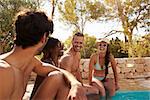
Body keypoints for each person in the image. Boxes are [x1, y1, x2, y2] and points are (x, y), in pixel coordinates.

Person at [0, 11, 87, 100]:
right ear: (44, 38)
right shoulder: (3, 71)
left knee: (58, 77)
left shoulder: (31, 62)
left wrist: (75, 84)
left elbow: (61, 71)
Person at [59, 32, 105, 99]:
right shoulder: (67, 58)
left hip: (75, 85)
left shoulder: (78, 54)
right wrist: (79, 90)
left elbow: (77, 70)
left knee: (96, 90)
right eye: (76, 42)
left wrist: (81, 85)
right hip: (66, 88)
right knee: (93, 95)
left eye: (80, 43)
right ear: (72, 41)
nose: (78, 45)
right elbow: (66, 80)